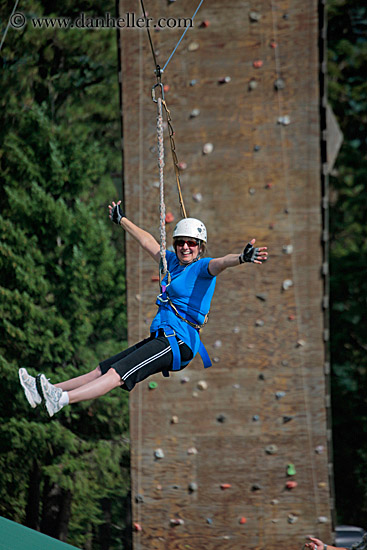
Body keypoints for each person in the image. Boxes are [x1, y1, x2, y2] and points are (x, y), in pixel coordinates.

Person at [19, 200, 268, 417]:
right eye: (181, 242)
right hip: (164, 336)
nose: (185, 247)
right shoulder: (170, 263)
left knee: (117, 374)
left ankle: (61, 401)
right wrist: (122, 220)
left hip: (180, 343)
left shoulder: (202, 268)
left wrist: (241, 258)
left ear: (200, 246)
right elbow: (147, 241)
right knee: (102, 369)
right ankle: (46, 392)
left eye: (191, 243)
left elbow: (222, 263)